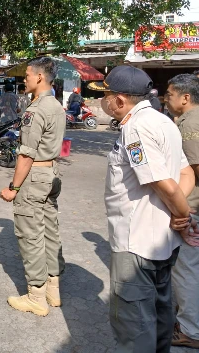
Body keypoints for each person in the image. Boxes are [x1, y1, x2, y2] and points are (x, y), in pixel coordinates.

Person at [88, 65, 196, 351]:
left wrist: (182, 216)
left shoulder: (136, 128)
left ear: (120, 100)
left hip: (136, 243)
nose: (103, 101)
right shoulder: (164, 122)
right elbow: (186, 175)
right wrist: (177, 215)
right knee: (160, 318)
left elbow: (164, 183)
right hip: (162, 242)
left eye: (106, 95)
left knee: (134, 328)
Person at [0, 57, 66, 317]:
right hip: (51, 173)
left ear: (39, 77)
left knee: (31, 235)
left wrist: (13, 188)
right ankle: (53, 289)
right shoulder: (56, 106)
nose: (24, 79)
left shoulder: (35, 110)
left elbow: (26, 155)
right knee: (50, 230)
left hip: (35, 176)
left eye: (27, 75)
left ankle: (36, 296)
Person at [164, 74, 199, 349]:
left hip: (194, 207)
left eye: (170, 94)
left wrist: (183, 210)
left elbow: (195, 170)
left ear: (185, 97)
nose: (166, 98)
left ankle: (189, 330)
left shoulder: (190, 123)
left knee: (186, 269)